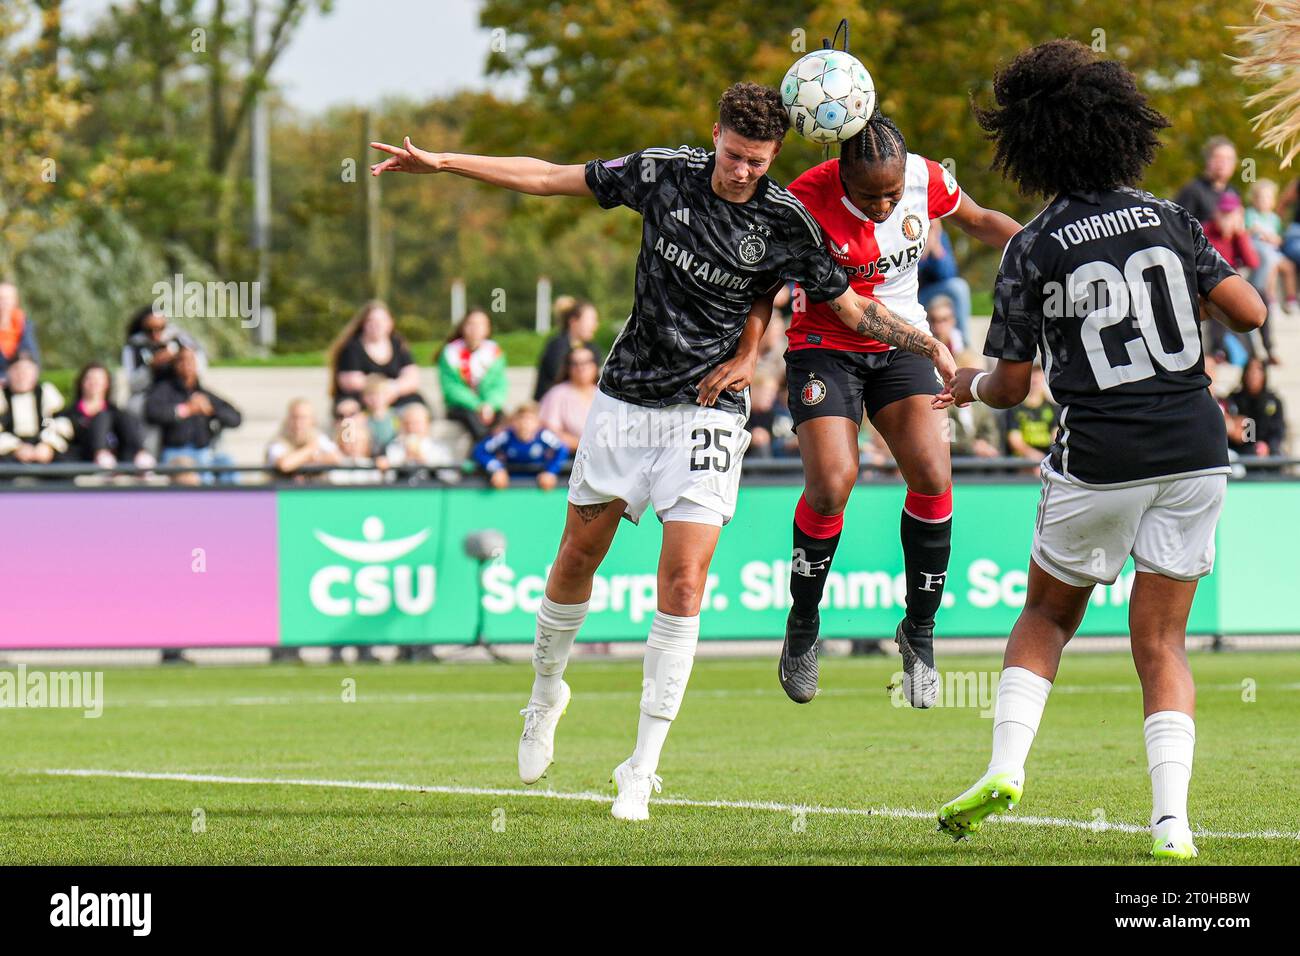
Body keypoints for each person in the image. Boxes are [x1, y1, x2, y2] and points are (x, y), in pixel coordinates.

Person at [371, 81, 954, 821]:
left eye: (758, 161)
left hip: (708, 413)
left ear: (775, 157)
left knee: (683, 584)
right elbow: (551, 177)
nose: (743, 171)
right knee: (576, 559)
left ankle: (640, 768)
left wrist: (926, 341)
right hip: (626, 401)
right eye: (735, 155)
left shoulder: (786, 221)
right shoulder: (661, 173)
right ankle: (546, 692)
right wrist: (448, 162)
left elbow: (846, 305)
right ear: (715, 136)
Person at [936, 39, 1267, 860]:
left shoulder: (1033, 245)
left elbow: (1011, 389)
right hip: (1195, 448)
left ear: (1031, 143)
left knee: (1047, 613)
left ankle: (1006, 766)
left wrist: (968, 386)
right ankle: (1172, 826)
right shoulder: (1171, 216)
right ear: (1125, 129)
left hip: (1101, 455)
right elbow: (1253, 313)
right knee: (1161, 642)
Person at [771, 109, 1020, 708]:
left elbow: (982, 220)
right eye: (869, 196)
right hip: (825, 346)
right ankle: (803, 626)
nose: (884, 206)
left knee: (934, 475)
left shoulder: (926, 177)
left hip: (898, 346)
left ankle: (920, 633)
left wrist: (1044, 244)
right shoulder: (805, 198)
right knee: (833, 483)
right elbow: (793, 294)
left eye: (893, 194)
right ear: (841, 177)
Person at [145, 347, 242, 483]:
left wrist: (211, 410)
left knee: (227, 464)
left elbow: (236, 419)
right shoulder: (164, 390)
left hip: (204, 451)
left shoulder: (204, 395)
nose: (186, 365)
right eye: (181, 361)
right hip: (176, 452)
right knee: (200, 474)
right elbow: (152, 413)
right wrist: (186, 410)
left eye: (191, 361)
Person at [1204, 192, 1273, 364]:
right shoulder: (1205, 230)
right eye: (1223, 213)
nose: (1226, 218)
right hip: (1209, 284)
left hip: (1231, 281)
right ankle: (1217, 349)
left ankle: (1268, 347)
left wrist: (1240, 233)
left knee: (1261, 297)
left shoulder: (1238, 234)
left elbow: (1252, 262)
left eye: (1230, 214)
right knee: (1217, 300)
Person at [328, 300, 423, 418]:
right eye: (371, 321)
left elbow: (412, 376)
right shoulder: (351, 347)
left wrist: (393, 388)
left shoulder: (398, 344)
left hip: (395, 396)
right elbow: (349, 381)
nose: (377, 324)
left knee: (417, 409)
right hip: (361, 398)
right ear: (363, 323)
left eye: (382, 320)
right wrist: (377, 392)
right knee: (348, 410)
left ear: (390, 322)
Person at [61, 363, 154, 471]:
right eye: (89, 378)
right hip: (83, 463)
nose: (94, 382)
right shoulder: (69, 413)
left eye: (99, 378)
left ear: (107, 383)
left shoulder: (118, 413)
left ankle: (140, 455)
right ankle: (100, 454)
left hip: (118, 465)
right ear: (81, 382)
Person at [437, 308, 508, 442]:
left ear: (487, 329)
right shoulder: (450, 353)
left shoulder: (494, 353)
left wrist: (489, 405)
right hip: (461, 406)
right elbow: (451, 388)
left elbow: (499, 386)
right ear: (463, 327)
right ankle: (483, 455)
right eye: (471, 324)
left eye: (480, 324)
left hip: (488, 406)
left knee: (503, 420)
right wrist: (477, 406)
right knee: (475, 423)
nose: (475, 328)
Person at [122, 306, 206, 413]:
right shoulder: (134, 346)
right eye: (150, 330)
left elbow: (200, 367)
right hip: (149, 396)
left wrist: (182, 363)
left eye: (160, 328)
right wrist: (151, 366)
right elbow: (133, 384)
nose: (155, 335)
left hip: (179, 391)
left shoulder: (180, 339)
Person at [472, 403, 569, 490]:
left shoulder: (544, 436)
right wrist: (497, 469)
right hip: (510, 485)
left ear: (537, 423)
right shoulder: (506, 436)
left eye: (530, 419)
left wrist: (551, 472)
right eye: (521, 418)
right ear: (513, 422)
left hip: (537, 485)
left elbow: (563, 449)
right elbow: (480, 451)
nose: (525, 424)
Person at [0, 355, 70, 464]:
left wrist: (48, 445)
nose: (22, 375)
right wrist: (15, 447)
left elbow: (57, 422)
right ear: (8, 373)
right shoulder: (2, 397)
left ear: (35, 373)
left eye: (27, 370)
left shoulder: (46, 393)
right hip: (9, 454)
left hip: (44, 447)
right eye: (17, 370)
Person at [1245, 179, 1298, 314]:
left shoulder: (1274, 219)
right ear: (1254, 199)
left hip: (1274, 251)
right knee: (1271, 266)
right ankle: (1270, 297)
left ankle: (1291, 299)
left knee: (1289, 267)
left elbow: (1279, 238)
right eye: (1261, 198)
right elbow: (1248, 232)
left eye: (1268, 198)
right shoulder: (1251, 214)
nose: (1265, 201)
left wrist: (1274, 239)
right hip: (1260, 252)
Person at [534, 299, 602, 401]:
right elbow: (558, 377)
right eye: (592, 320)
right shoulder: (557, 347)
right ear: (573, 321)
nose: (595, 325)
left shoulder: (592, 349)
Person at [917, 226, 973, 342]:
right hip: (918, 291)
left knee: (959, 286)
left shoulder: (940, 236)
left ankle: (963, 344)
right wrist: (924, 252)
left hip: (939, 287)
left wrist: (936, 247)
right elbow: (911, 275)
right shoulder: (909, 234)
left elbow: (948, 273)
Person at [537, 346, 599, 451]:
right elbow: (549, 431)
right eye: (575, 364)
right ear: (568, 368)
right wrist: (581, 445)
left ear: (595, 366)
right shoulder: (557, 394)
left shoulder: (605, 393)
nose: (581, 368)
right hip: (571, 457)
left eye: (586, 362)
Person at [266, 399, 342, 481]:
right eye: (295, 417)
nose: (298, 423)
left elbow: (336, 458)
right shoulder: (279, 440)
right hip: (283, 491)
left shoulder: (318, 437)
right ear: (288, 419)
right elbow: (285, 464)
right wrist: (310, 449)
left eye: (303, 418)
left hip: (313, 491)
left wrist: (306, 459)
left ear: (312, 420)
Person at [1227, 357, 1286, 457]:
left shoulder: (1273, 402)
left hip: (1268, 454)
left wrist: (1268, 447)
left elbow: (1278, 431)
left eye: (1258, 370)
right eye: (1250, 370)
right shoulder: (1233, 400)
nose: (1253, 375)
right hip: (1239, 453)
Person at [1174, 135, 1239, 224]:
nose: (1223, 163)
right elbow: (1178, 226)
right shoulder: (1192, 191)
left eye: (1228, 159)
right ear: (1208, 160)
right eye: (1218, 157)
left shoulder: (1234, 192)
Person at [383, 401, 459, 474]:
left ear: (427, 424)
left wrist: (425, 462)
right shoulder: (394, 447)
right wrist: (404, 461)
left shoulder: (439, 448)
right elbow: (388, 478)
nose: (411, 428)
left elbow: (450, 476)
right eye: (407, 423)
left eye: (416, 423)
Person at [1003, 366, 1058, 464]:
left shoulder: (1053, 408)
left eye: (1038, 373)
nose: (1035, 378)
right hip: (1022, 462)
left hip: (1048, 460)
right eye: (1032, 373)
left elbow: (1056, 437)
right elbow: (1015, 440)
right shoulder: (1015, 408)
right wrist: (1033, 457)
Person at [0, 283, 40, 384]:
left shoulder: (24, 325)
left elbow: (33, 360)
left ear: (15, 301)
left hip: (18, 386)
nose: (3, 303)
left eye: (7, 298)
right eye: (1, 298)